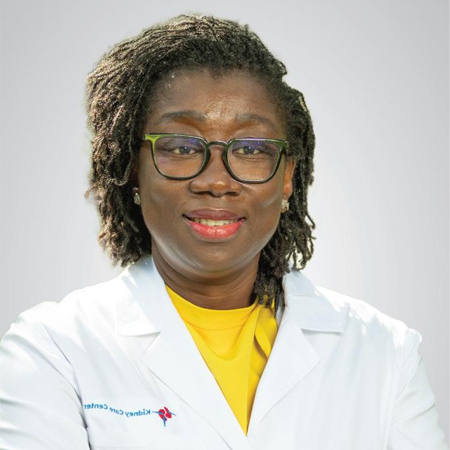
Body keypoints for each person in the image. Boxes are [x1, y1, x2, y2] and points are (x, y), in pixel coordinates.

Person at [0, 14, 447, 450]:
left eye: (251, 148)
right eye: (181, 147)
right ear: (133, 171)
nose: (216, 180)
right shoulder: (53, 350)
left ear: (287, 177)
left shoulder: (385, 353)